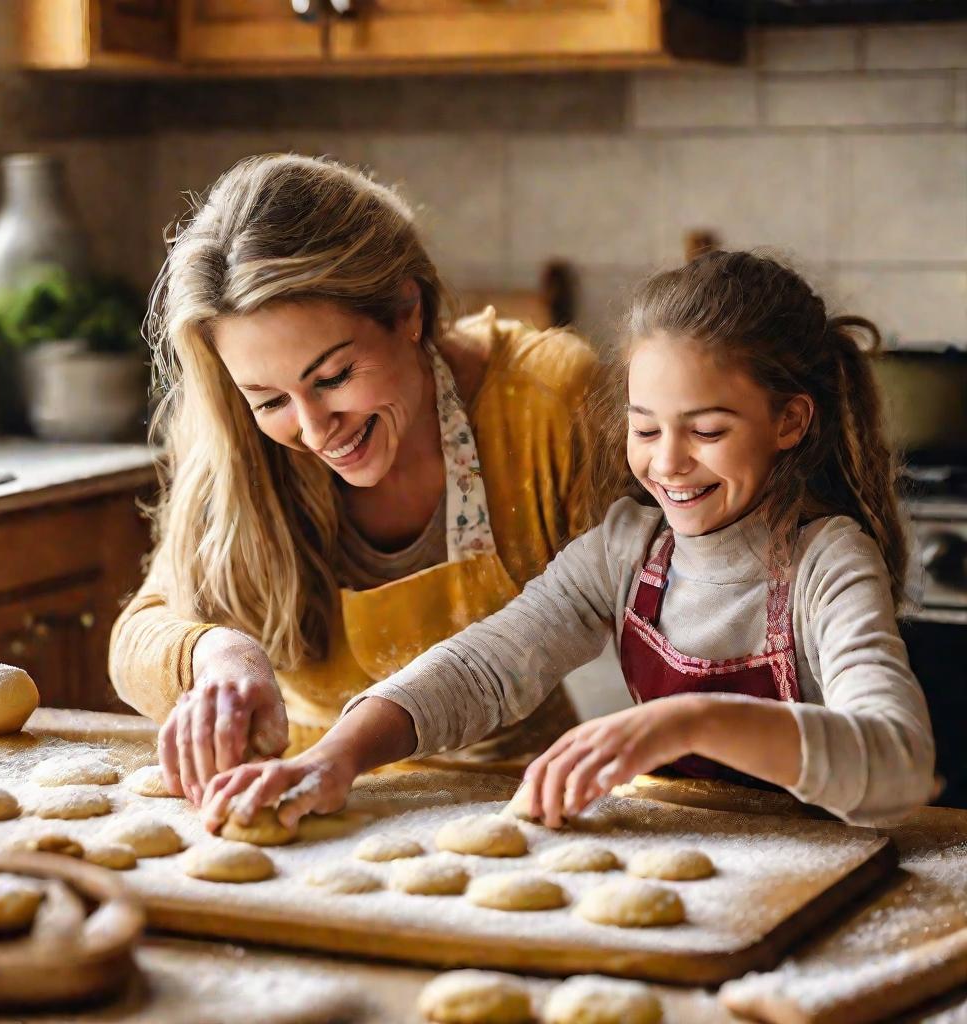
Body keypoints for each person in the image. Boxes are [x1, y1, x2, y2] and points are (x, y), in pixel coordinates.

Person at [201, 250, 936, 834]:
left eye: (707, 430)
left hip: (819, 887)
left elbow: (900, 765)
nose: (669, 462)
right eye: (646, 428)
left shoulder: (827, 565)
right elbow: (486, 665)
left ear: (790, 421)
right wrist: (338, 756)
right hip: (690, 871)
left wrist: (691, 718)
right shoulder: (627, 550)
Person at [108, 153, 610, 806]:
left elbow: (661, 608)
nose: (316, 432)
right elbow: (136, 635)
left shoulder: (547, 401)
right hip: (295, 797)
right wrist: (217, 658)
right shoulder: (233, 440)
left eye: (334, 377)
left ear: (408, 309)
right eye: (271, 400)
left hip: (518, 795)